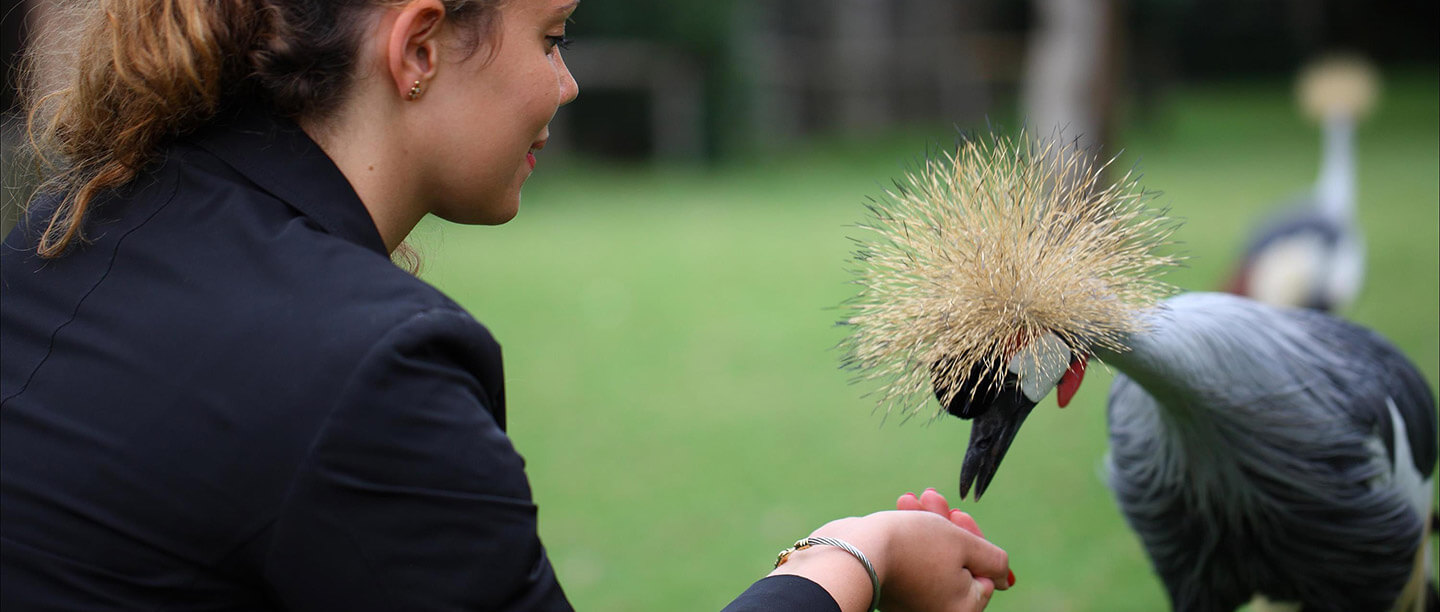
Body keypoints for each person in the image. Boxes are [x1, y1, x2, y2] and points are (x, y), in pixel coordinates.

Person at [0, 1, 1014, 610]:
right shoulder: (366, 371)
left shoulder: (70, 225)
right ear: (420, 47)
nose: (565, 84)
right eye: (552, 37)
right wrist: (856, 559)